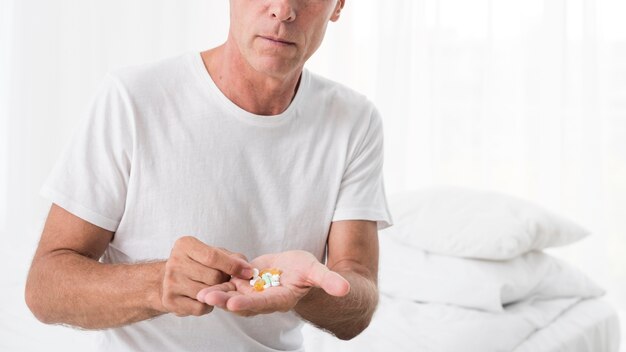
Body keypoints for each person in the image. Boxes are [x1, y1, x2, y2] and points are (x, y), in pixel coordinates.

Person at [25, 0, 392, 351]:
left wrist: (308, 288)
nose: (283, 9)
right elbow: (44, 288)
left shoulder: (354, 121)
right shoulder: (133, 98)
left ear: (338, 5)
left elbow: (355, 307)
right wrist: (159, 283)